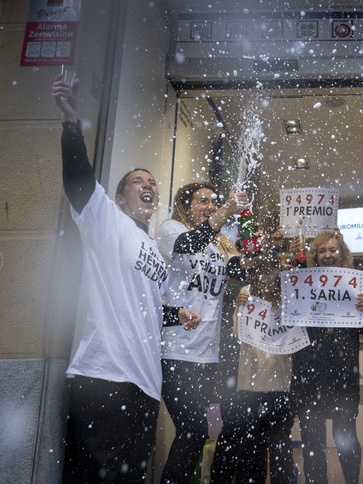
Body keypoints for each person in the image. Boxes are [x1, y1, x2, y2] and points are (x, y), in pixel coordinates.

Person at [52, 75, 201, 483]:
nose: (149, 184)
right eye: (139, 180)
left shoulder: (152, 249)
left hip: (145, 385)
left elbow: (145, 308)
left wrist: (177, 314)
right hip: (105, 376)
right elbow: (78, 181)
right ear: (120, 197)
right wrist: (71, 125)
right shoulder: (107, 222)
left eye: (152, 181)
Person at [157, 182, 251, 483]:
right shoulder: (172, 229)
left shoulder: (219, 243)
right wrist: (226, 210)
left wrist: (248, 236)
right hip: (176, 348)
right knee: (195, 428)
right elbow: (189, 244)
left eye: (214, 201)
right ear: (185, 206)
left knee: (201, 431)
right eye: (203, 201)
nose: (210, 206)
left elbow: (244, 273)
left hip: (209, 354)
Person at [290, 231, 363, 484]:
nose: (328, 255)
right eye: (322, 250)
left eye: (333, 250)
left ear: (342, 254)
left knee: (345, 437)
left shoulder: (356, 284)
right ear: (315, 255)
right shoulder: (301, 281)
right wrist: (295, 261)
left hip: (342, 373)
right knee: (312, 440)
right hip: (307, 372)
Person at [210, 264, 297, 484]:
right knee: (253, 450)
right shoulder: (246, 301)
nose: (266, 286)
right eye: (261, 281)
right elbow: (237, 332)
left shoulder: (289, 303)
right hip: (250, 386)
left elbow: (297, 339)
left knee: (280, 451)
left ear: (277, 283)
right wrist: (241, 308)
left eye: (271, 281)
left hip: (280, 386)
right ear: (254, 281)